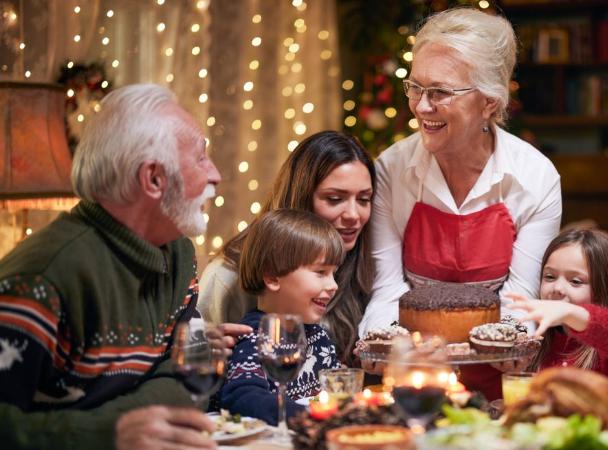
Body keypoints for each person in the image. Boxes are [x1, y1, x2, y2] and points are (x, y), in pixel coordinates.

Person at [0, 84, 230, 449]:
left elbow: (194, 374)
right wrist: (110, 432)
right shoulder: (41, 279)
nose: (215, 174)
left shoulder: (179, 255)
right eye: (201, 158)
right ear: (154, 179)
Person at [359, 7, 562, 399]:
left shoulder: (535, 178)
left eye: (440, 92)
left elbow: (519, 299)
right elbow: (387, 288)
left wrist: (507, 348)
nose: (420, 106)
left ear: (489, 101)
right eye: (415, 87)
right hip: (411, 379)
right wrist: (381, 346)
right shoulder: (392, 169)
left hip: (501, 384)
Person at [199, 130, 374, 366]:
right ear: (300, 197)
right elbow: (195, 361)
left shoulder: (363, 264)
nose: (354, 215)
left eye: (364, 199)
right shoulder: (227, 275)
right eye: (334, 199)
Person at [219, 209, 343, 425]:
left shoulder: (319, 336)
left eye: (334, 273)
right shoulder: (254, 338)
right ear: (272, 277)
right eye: (320, 272)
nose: (333, 285)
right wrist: (313, 418)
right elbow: (242, 399)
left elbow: (337, 388)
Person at [506, 228, 608, 401]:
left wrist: (570, 312)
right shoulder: (539, 336)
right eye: (550, 277)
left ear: (605, 287)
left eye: (575, 281)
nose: (557, 289)